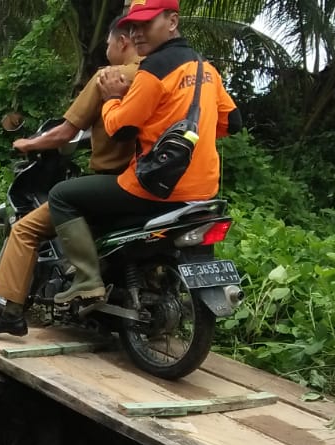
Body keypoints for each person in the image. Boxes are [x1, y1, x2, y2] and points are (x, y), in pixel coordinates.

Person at [44, 0, 242, 306]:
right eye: (134, 26)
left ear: (172, 22)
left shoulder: (154, 70)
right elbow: (233, 122)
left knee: (61, 195)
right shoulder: (205, 69)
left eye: (146, 24)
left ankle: (86, 279)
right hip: (203, 191)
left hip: (152, 187)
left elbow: (120, 129)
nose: (137, 33)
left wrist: (111, 98)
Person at [0, 18, 143, 336]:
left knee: (27, 227)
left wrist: (28, 142)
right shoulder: (160, 75)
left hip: (115, 182)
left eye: (108, 44)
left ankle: (11, 314)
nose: (105, 51)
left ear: (123, 43)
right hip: (155, 182)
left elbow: (66, 131)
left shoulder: (109, 77)